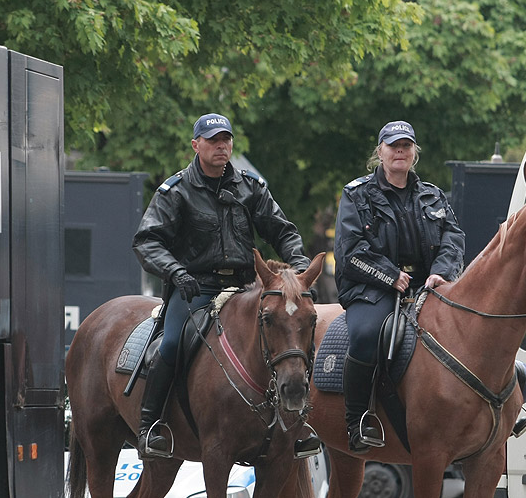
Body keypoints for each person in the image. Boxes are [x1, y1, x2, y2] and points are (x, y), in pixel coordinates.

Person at [132, 112, 319, 459]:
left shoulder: (251, 187)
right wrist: (175, 272)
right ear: (196, 145)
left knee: (293, 336)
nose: (221, 146)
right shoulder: (176, 191)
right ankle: (151, 425)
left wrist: (301, 271)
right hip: (194, 288)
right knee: (171, 344)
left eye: (226, 140)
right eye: (213, 140)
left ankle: (299, 420)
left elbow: (283, 232)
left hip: (246, 287)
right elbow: (147, 242)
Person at [333, 120, 467, 453]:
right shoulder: (356, 194)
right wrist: (388, 275)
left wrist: (442, 272)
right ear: (380, 152)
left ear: (414, 153)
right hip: (372, 288)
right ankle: (357, 420)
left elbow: (454, 237)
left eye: (406, 146)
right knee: (366, 335)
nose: (400, 151)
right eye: (393, 146)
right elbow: (348, 251)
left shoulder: (431, 194)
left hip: (428, 283)